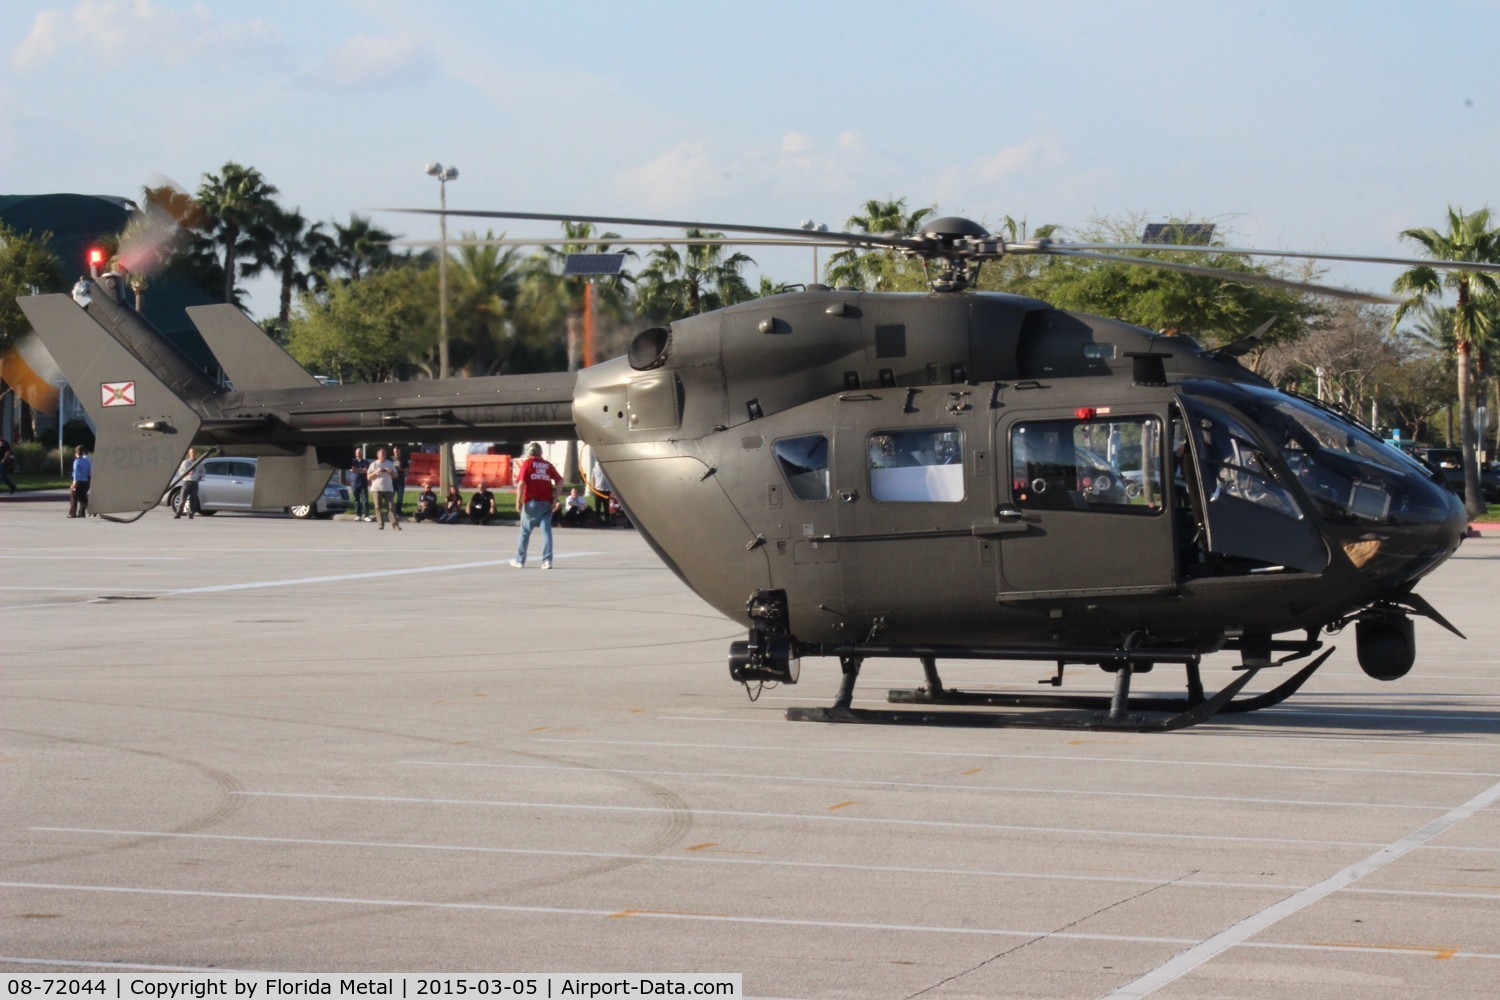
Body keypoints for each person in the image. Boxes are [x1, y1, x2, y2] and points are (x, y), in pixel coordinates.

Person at [511, 443, 562, 569]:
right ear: (540, 453)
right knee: (546, 532)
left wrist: (518, 501)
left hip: (532, 503)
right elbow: (560, 481)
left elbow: (522, 483)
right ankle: (547, 560)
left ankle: (520, 560)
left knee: (524, 532)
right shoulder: (547, 465)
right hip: (547, 503)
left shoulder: (527, 464)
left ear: (529, 453)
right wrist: (555, 499)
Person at [366, 447, 402, 531]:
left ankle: (395, 525)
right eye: (382, 454)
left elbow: (396, 475)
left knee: (391, 507)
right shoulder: (374, 464)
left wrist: (391, 472)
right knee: (378, 507)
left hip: (388, 489)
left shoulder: (389, 463)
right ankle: (380, 524)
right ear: (378, 455)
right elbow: (368, 477)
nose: (384, 455)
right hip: (376, 489)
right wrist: (376, 472)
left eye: (385, 454)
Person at [175, 447, 204, 519]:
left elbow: (203, 472)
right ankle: (179, 513)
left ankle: (191, 513)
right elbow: (180, 472)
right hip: (187, 482)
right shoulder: (185, 462)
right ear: (189, 454)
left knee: (193, 499)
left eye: (194, 452)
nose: (193, 454)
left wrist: (200, 476)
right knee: (183, 498)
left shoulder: (198, 463)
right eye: (192, 452)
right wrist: (187, 472)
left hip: (195, 482)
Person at [67, 445, 91, 517]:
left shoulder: (76, 462)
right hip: (85, 481)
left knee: (73, 496)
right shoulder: (86, 461)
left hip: (79, 482)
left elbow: (76, 474)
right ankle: (89, 510)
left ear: (76, 453)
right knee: (82, 496)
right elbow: (89, 471)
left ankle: (72, 513)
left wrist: (74, 483)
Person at [349, 447, 371, 522]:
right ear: (355, 453)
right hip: (354, 483)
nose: (358, 453)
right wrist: (360, 469)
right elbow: (352, 469)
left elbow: (366, 471)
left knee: (365, 500)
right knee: (356, 500)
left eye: (360, 452)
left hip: (363, 483)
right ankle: (358, 515)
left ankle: (366, 515)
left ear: (362, 453)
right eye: (357, 452)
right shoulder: (352, 461)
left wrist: (357, 470)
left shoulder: (366, 462)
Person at [591, 459, 612, 526]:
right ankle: (597, 521)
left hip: (606, 490)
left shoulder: (607, 468)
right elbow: (593, 478)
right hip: (597, 490)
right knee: (598, 507)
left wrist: (611, 489)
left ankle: (607, 521)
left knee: (606, 506)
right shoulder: (595, 469)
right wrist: (593, 487)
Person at [391, 445, 409, 514]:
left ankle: (398, 511)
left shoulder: (403, 459)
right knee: (390, 497)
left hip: (400, 480)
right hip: (392, 480)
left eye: (397, 451)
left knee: (400, 497)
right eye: (395, 451)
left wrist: (401, 469)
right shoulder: (391, 459)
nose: (396, 453)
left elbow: (407, 469)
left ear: (399, 451)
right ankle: (390, 510)